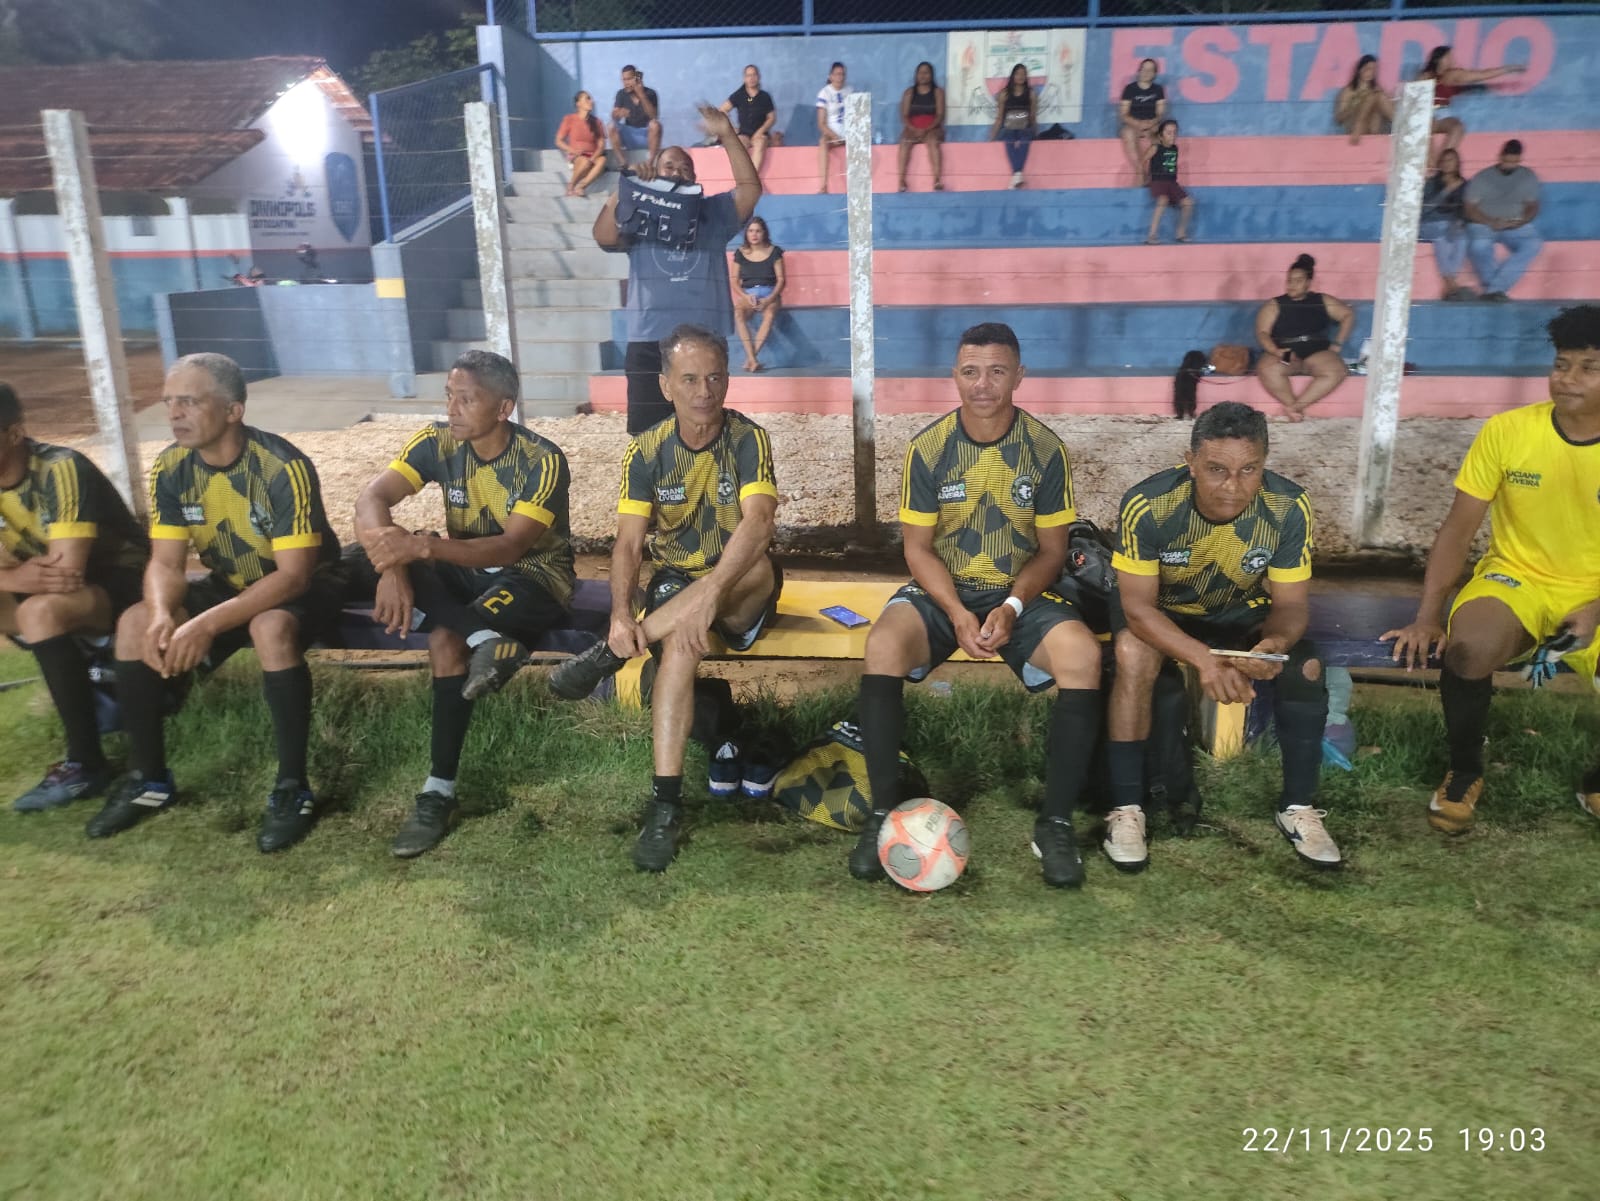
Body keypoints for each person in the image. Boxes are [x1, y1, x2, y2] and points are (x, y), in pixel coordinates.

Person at [847, 322, 1103, 890]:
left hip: (1020, 593)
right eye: (970, 371)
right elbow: (917, 549)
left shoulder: (1045, 450)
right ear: (954, 376)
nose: (982, 384)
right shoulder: (928, 448)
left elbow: (1053, 550)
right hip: (944, 591)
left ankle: (1055, 823)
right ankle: (885, 814)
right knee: (883, 644)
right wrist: (958, 613)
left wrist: (1011, 606)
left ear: (1018, 374)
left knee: (1083, 655)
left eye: (996, 371)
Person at [547, 325, 782, 873]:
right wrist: (621, 613)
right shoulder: (646, 451)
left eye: (716, 377)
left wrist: (713, 592)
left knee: (757, 562)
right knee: (679, 649)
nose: (705, 390)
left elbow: (760, 520)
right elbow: (629, 543)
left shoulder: (749, 439)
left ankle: (614, 656)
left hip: (742, 583)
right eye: (691, 379)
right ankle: (666, 805)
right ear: (666, 385)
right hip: (677, 582)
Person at [88, 353, 344, 852]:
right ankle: (149, 781)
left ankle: (292, 789)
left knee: (270, 627)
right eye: (169, 402)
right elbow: (164, 563)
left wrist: (203, 626)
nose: (174, 413)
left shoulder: (281, 466)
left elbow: (293, 577)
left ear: (233, 410)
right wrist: (164, 614)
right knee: (136, 622)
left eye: (189, 401)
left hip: (305, 583)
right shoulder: (172, 466)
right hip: (230, 582)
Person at [1382, 305, 1600, 833]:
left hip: (1594, 592)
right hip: (1516, 578)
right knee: (1467, 650)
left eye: (1588, 367)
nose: (1566, 378)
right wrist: (1429, 614)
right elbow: (1457, 529)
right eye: (1561, 363)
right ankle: (1464, 769)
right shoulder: (1507, 432)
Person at [352, 351, 575, 859]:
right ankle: (487, 641)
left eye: (466, 398)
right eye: (449, 396)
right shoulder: (437, 440)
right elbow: (371, 499)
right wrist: (393, 565)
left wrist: (420, 549)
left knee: (443, 638)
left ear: (503, 408)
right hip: (465, 571)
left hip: (534, 577)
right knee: (352, 562)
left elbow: (510, 547)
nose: (452, 408)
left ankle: (437, 791)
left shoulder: (541, 459)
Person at [1107, 401, 1339, 871]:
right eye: (1216, 469)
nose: (1233, 486)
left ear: (1264, 464)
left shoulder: (1288, 506)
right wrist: (1204, 660)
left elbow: (1291, 607)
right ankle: (1126, 807)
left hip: (1238, 613)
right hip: (1163, 614)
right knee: (1133, 653)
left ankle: (1297, 806)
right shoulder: (1147, 504)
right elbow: (1136, 609)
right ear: (1190, 462)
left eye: (1248, 470)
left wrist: (1272, 646)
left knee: (1306, 665)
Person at [0, 383, 149, 811]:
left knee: (41, 612)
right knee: (33, 606)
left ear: (13, 434)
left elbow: (65, 575)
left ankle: (86, 763)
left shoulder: (60, 468)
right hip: (51, 584)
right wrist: (15, 577)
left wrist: (14, 577)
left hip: (124, 584)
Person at [593, 104, 760, 435]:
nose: (677, 172)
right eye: (668, 166)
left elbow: (750, 190)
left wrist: (727, 134)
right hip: (647, 341)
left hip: (704, 338)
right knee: (647, 436)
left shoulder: (712, 213)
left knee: (702, 430)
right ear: (654, 171)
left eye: (686, 168)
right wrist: (626, 189)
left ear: (695, 179)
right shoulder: (637, 211)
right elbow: (603, 236)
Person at [1254, 254, 1354, 421]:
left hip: (1316, 352)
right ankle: (1292, 406)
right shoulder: (1275, 304)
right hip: (1286, 353)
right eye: (1289, 280)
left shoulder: (1320, 300)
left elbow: (1347, 314)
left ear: (1308, 283)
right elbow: (1262, 333)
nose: (1292, 285)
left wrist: (1337, 343)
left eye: (1298, 280)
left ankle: (1295, 408)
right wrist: (1276, 351)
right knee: (1267, 369)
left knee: (1337, 371)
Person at [1463, 139, 1543, 302]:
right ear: (1500, 156)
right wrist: (1490, 222)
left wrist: (1521, 221)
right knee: (1479, 246)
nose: (1509, 166)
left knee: (1534, 243)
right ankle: (1495, 291)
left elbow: (1533, 206)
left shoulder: (1528, 176)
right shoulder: (1482, 177)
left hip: (1515, 223)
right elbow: (1469, 208)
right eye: (1506, 161)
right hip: (1484, 223)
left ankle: (1494, 289)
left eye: (1514, 162)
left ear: (1520, 159)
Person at [1417, 46, 1525, 164]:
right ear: (1438, 59)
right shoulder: (1425, 76)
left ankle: (1442, 164)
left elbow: (1481, 75)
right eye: (1448, 57)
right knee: (1425, 126)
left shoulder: (1453, 74)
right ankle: (1430, 166)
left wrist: (1508, 69)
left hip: (1443, 113)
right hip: (1426, 113)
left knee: (1457, 128)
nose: (1452, 60)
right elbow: (1414, 97)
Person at [731, 216, 785, 374]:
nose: (754, 234)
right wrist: (746, 296)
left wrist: (768, 300)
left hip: (770, 293)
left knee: (769, 315)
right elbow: (734, 281)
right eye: (750, 231)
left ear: (764, 233)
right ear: (746, 234)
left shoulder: (775, 251)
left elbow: (781, 281)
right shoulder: (740, 252)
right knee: (738, 313)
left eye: (758, 231)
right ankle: (753, 360)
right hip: (749, 294)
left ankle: (751, 358)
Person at [1422, 147, 1473, 301]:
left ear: (1457, 163)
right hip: (1428, 225)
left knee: (1462, 238)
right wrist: (1446, 190)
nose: (1447, 164)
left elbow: (1465, 209)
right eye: (1444, 160)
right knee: (1441, 237)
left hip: (1450, 224)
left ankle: (1450, 286)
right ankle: (1451, 284)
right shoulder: (1431, 183)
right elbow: (1425, 210)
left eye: (1451, 160)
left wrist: (1460, 222)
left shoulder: (1464, 184)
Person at [896, 61, 945, 193]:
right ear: (916, 75)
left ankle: (937, 179)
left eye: (926, 72)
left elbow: (940, 115)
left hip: (932, 127)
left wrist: (927, 129)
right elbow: (904, 115)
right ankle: (901, 180)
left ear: (931, 75)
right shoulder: (909, 93)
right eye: (920, 72)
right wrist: (913, 129)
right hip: (913, 127)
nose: (923, 75)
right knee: (904, 142)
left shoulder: (938, 92)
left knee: (933, 142)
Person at [1143, 119, 1193, 245]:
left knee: (1188, 203)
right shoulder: (1155, 148)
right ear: (1161, 135)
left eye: (1174, 133)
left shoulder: (1175, 148)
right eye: (1169, 133)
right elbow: (1143, 161)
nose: (1172, 136)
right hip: (1158, 181)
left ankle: (1180, 233)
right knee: (1163, 199)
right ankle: (1152, 235)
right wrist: (1145, 178)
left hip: (1172, 183)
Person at [720, 64, 776, 174]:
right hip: (744, 134)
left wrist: (760, 132)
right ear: (744, 78)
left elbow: (772, 118)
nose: (751, 78)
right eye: (748, 75)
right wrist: (732, 129)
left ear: (758, 77)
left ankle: (753, 180)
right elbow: (722, 111)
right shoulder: (739, 95)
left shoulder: (765, 97)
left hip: (760, 135)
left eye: (754, 75)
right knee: (739, 145)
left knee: (760, 142)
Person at [1119, 58, 1167, 185]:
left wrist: (1151, 123)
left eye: (1150, 70)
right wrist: (1138, 124)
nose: (1146, 72)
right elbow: (1124, 114)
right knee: (1127, 132)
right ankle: (1140, 171)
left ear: (1155, 74)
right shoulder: (1129, 89)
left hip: (1152, 125)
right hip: (1133, 125)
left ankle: (1157, 176)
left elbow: (1160, 113)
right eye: (1144, 69)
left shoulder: (1158, 89)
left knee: (1160, 136)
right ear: (1139, 71)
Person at [988, 63, 1036, 190]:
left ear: (1026, 77)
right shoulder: (1004, 94)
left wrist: (1036, 134)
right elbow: (999, 117)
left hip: (1024, 127)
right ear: (1013, 76)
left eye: (1023, 74)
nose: (1020, 76)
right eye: (1018, 73)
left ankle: (1016, 174)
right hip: (1008, 127)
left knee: (1025, 140)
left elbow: (1033, 116)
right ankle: (1018, 173)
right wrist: (992, 136)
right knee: (1008, 140)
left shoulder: (1031, 94)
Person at [555, 90, 608, 197]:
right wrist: (572, 150)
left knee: (602, 160)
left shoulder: (597, 122)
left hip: (592, 156)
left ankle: (581, 187)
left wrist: (593, 158)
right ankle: (571, 186)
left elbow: (601, 145)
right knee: (584, 161)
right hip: (576, 156)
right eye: (587, 98)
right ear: (578, 103)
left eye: (591, 98)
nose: (591, 101)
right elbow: (558, 141)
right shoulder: (569, 119)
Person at [1333, 55, 1394, 144]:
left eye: (1374, 70)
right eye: (1368, 69)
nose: (1371, 72)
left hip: (1375, 129)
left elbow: (1388, 106)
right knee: (1373, 97)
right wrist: (1353, 103)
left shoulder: (1377, 89)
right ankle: (1359, 125)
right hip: (1356, 131)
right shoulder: (1349, 91)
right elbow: (1339, 119)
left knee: (1379, 97)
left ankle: (1402, 124)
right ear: (1359, 70)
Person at [609, 65, 661, 163]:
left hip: (646, 135)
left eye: (628, 79)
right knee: (611, 126)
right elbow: (614, 117)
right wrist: (618, 114)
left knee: (655, 125)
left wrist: (641, 94)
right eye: (623, 80)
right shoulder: (621, 94)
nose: (625, 83)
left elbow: (654, 116)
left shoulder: (651, 93)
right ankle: (623, 163)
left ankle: (651, 162)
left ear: (637, 78)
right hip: (630, 135)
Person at [816, 62, 849, 194]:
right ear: (831, 76)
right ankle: (823, 186)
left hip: (848, 132)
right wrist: (835, 137)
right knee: (822, 142)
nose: (840, 77)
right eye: (837, 74)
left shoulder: (850, 91)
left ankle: (854, 186)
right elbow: (821, 123)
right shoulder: (824, 93)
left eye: (842, 74)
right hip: (831, 133)